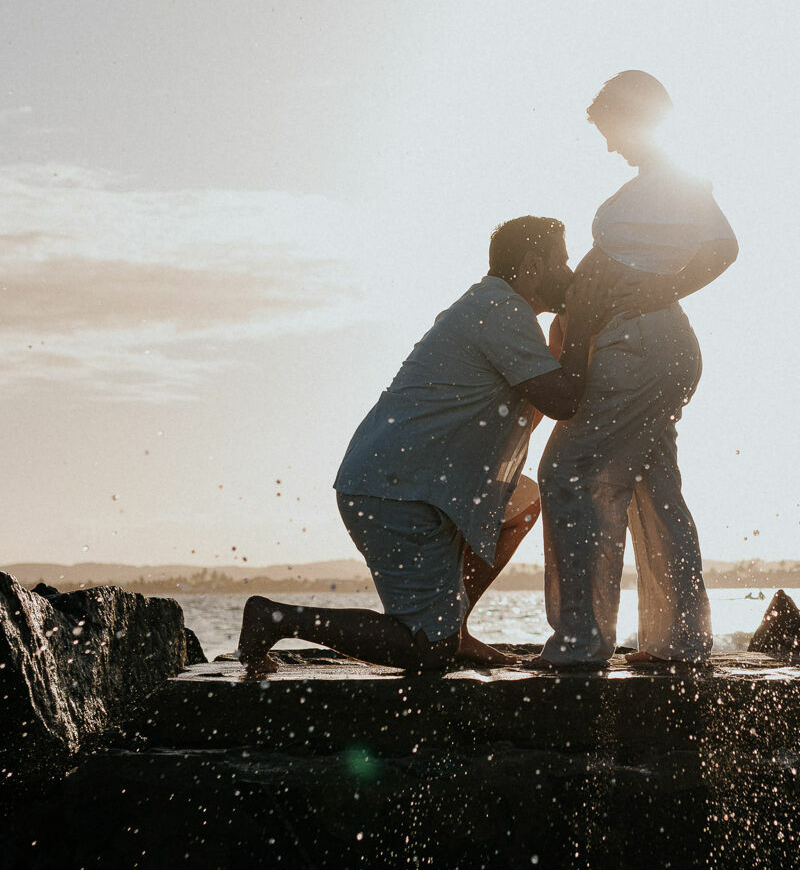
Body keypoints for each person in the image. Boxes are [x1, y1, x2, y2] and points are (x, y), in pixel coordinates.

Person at [238, 216, 615, 678]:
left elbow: (535, 409)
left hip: (410, 484)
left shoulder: (496, 309)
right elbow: (562, 401)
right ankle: (275, 618)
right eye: (563, 261)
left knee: (525, 500)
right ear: (533, 265)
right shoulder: (502, 310)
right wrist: (581, 328)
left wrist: (560, 343)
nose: (570, 273)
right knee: (427, 654)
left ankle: (452, 627)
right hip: (396, 494)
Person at [536, 71, 738, 671]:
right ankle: (679, 640)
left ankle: (581, 641)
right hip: (649, 343)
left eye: (609, 131)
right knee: (654, 483)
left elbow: (724, 247)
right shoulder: (660, 181)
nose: (608, 146)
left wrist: (660, 288)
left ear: (634, 117)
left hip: (644, 344)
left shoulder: (677, 177)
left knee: (564, 471)